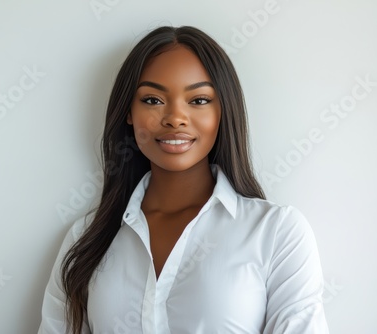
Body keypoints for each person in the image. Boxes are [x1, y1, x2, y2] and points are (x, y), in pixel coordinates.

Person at [38, 25, 329, 333]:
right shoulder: (86, 239)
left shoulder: (276, 232)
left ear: (223, 111)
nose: (175, 118)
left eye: (199, 100)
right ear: (128, 112)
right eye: (152, 99)